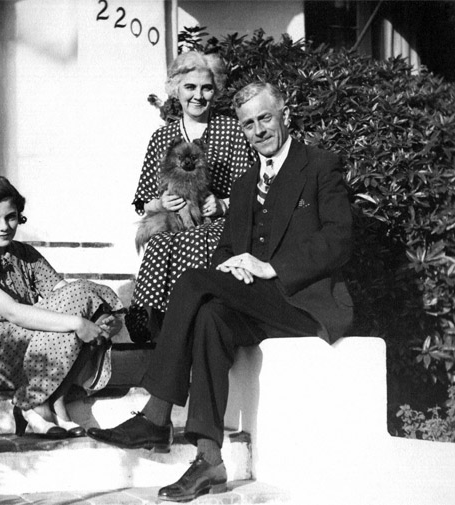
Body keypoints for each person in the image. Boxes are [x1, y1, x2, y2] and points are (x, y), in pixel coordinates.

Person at [88, 82, 354, 502]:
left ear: (285, 114)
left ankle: (157, 414)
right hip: (258, 301)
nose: (258, 130)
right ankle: (209, 459)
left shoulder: (320, 165)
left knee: (194, 281)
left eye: (265, 118)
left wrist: (271, 267)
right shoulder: (248, 182)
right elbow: (229, 249)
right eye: (248, 124)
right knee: (211, 315)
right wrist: (231, 264)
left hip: (303, 301)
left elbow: (339, 239)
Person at [0, 176, 124, 439]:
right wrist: (79, 323)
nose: (4, 226)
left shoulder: (25, 254)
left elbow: (64, 293)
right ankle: (30, 404)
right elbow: (13, 312)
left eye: (11, 217)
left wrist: (103, 318)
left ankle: (57, 403)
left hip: (32, 346)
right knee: (75, 311)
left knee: (81, 301)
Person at [127, 50, 253, 343]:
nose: (198, 95)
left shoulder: (232, 131)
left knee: (199, 242)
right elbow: (144, 199)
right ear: (176, 89)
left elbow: (249, 192)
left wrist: (223, 204)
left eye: (206, 87)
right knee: (159, 242)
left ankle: (193, 327)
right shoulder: (162, 137)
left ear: (216, 89)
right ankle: (148, 320)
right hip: (174, 221)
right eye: (190, 87)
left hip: (216, 225)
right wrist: (161, 203)